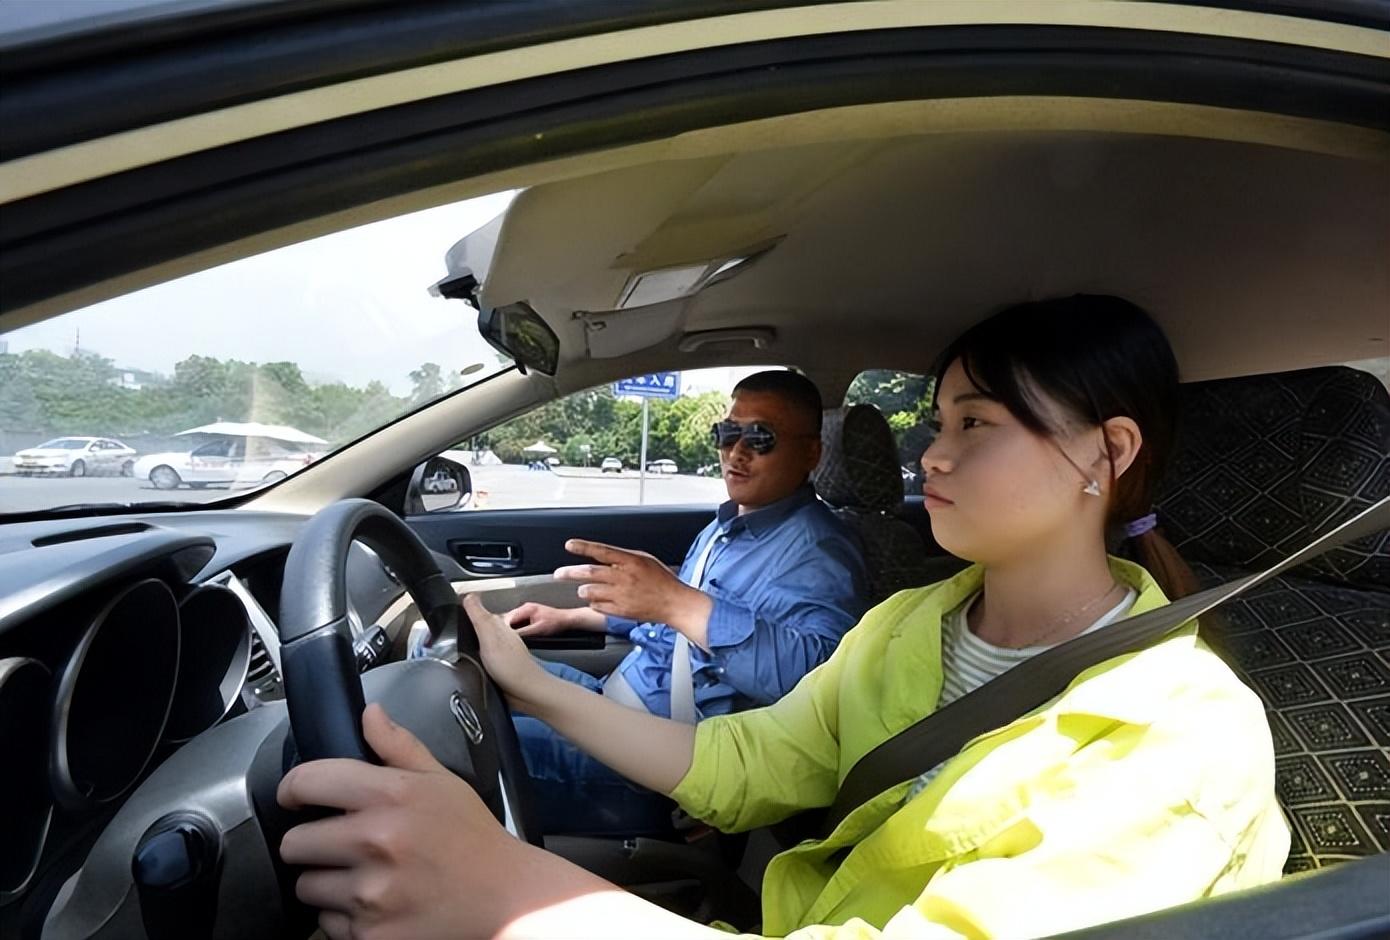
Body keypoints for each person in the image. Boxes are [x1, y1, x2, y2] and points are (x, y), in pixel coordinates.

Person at [277, 296, 1289, 940]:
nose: (929, 455)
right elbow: (748, 761)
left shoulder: (1178, 740)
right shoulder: (910, 624)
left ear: (1106, 454)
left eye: (975, 424)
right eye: (937, 424)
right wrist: (532, 679)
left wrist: (510, 897)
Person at [503, 369, 870, 835]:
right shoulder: (727, 526)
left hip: (659, 767)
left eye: (761, 437)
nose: (736, 451)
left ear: (811, 453)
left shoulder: (820, 551)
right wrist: (568, 617)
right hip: (618, 705)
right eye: (728, 432)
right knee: (472, 672)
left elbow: (819, 680)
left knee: (453, 732)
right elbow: (669, 623)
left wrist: (678, 602)